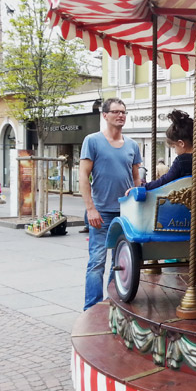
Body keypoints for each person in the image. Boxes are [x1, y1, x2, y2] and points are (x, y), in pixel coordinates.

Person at [80, 98, 142, 311]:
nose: (120, 115)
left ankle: (111, 303)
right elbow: (83, 176)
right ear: (104, 115)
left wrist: (136, 200)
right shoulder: (92, 141)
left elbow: (136, 178)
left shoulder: (133, 145)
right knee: (96, 262)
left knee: (120, 262)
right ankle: (91, 309)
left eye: (123, 112)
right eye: (115, 112)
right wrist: (90, 208)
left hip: (125, 214)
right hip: (101, 213)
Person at [137, 110, 196, 191]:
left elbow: (164, 181)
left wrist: (143, 186)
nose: (175, 151)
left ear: (181, 143)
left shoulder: (180, 162)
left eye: (174, 147)